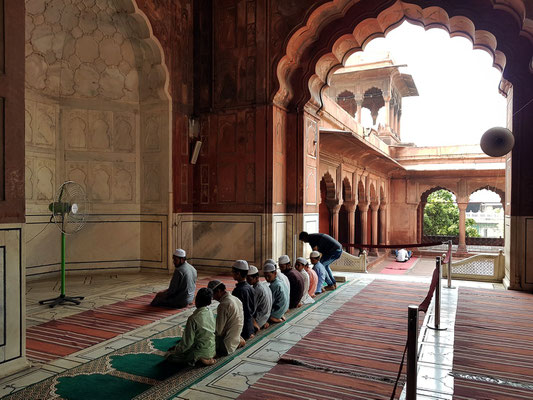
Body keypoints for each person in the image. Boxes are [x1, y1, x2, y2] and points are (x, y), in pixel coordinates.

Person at [165, 288, 216, 366]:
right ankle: (207, 357)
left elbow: (187, 343)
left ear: (197, 300)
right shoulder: (210, 312)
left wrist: (176, 350)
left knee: (169, 357)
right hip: (212, 350)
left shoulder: (193, 318)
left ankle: (198, 359)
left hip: (198, 351)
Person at [208, 280, 245, 355]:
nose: (213, 298)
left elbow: (218, 331)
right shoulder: (236, 299)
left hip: (226, 346)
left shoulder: (224, 304)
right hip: (236, 338)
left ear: (218, 291)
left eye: (213, 295)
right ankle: (238, 342)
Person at [231, 260, 256, 340]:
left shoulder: (239, 290)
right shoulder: (250, 287)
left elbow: (237, 312)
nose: (232, 274)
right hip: (250, 326)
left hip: (243, 329)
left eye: (233, 272)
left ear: (238, 273)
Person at [246, 265, 273, 331]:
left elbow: (251, 310)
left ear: (256, 277)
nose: (247, 281)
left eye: (249, 279)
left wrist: (254, 322)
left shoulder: (257, 290)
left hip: (259, 321)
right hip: (266, 318)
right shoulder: (265, 285)